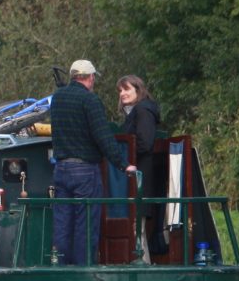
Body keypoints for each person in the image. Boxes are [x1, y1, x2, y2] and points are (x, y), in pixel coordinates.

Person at [46, 59, 136, 265]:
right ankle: (83, 273)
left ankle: (59, 268)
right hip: (84, 171)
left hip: (61, 168)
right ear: (90, 77)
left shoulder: (57, 98)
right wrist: (124, 164)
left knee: (62, 223)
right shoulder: (90, 100)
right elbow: (103, 136)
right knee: (85, 224)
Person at [118, 75, 168, 258]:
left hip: (140, 181)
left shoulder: (143, 112)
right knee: (137, 231)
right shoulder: (136, 112)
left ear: (138, 90)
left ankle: (143, 270)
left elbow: (144, 143)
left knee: (138, 231)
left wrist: (122, 157)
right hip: (137, 180)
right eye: (120, 90)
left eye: (127, 89)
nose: (122, 93)